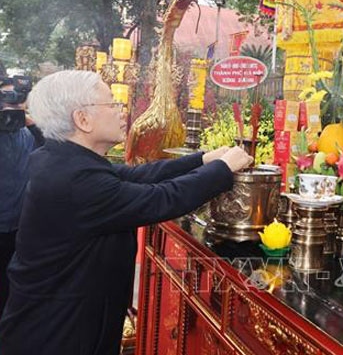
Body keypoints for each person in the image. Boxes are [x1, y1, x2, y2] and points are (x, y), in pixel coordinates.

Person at [0, 70, 253, 355]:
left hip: (63, 324)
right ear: (82, 119)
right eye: (112, 105)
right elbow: (161, 199)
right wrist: (223, 169)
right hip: (57, 335)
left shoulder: (64, 159)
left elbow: (139, 175)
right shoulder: (73, 180)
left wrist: (203, 159)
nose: (123, 112)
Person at [0, 75, 44, 315]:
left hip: (21, 229)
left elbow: (54, 150)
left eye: (17, 103)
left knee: (15, 291)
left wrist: (32, 124)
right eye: (4, 100)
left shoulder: (28, 135)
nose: (10, 108)